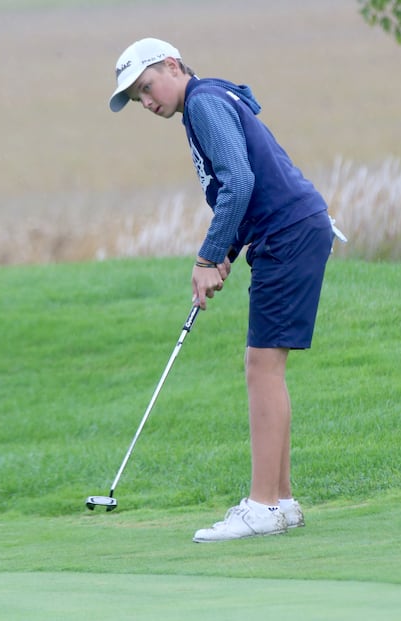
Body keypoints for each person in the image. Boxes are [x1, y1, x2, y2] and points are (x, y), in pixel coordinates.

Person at [109, 38, 342, 543]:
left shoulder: (202, 103)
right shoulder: (211, 100)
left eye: (147, 88)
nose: (146, 103)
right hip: (292, 229)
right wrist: (224, 254)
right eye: (136, 99)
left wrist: (206, 257)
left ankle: (262, 506)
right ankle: (280, 502)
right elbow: (244, 190)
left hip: (287, 233)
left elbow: (238, 182)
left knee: (262, 366)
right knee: (267, 366)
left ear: (172, 65)